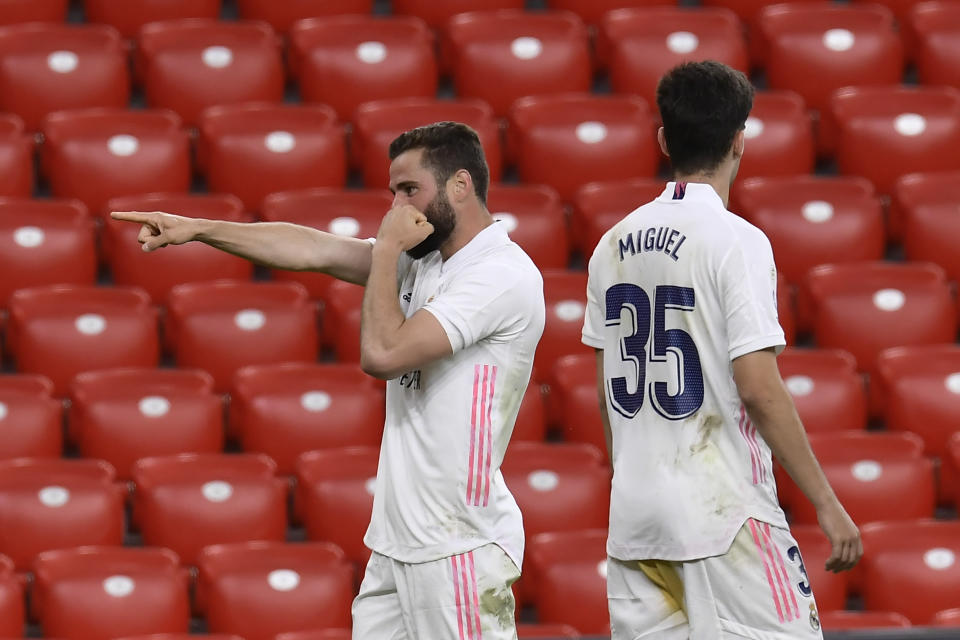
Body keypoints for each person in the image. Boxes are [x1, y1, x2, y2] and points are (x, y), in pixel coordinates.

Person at [112, 121, 545, 639]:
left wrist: (386, 251)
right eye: (393, 193)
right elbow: (312, 249)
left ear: (460, 184)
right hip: (397, 544)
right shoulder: (427, 262)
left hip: (457, 546)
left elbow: (383, 354)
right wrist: (200, 228)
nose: (396, 209)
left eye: (410, 190)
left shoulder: (498, 275)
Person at [581, 61, 862, 640]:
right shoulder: (738, 241)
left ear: (663, 140)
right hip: (723, 513)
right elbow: (759, 388)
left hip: (636, 516)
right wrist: (827, 503)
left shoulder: (610, 246)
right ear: (740, 140)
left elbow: (606, 395)